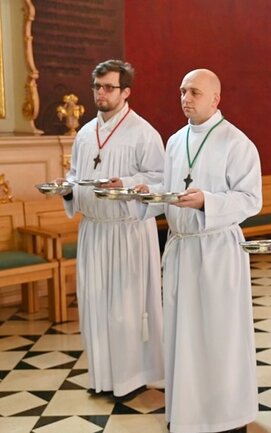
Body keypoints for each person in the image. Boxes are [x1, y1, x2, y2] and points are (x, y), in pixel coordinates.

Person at [137, 69, 262, 433]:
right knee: (183, 333)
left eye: (194, 92)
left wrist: (207, 200)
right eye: (182, 91)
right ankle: (188, 413)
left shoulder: (236, 142)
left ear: (215, 99)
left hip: (217, 249)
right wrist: (149, 191)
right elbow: (170, 188)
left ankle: (227, 416)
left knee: (220, 334)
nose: (185, 98)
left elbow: (251, 199)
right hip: (182, 247)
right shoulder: (176, 140)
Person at [58, 59, 165, 401]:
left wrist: (128, 183)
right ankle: (102, 377)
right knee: (94, 305)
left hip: (127, 231)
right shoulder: (85, 133)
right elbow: (76, 175)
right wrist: (68, 189)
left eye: (108, 87)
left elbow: (161, 180)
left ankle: (131, 379)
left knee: (125, 308)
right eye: (97, 87)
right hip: (93, 230)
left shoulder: (143, 133)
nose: (101, 93)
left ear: (126, 91)